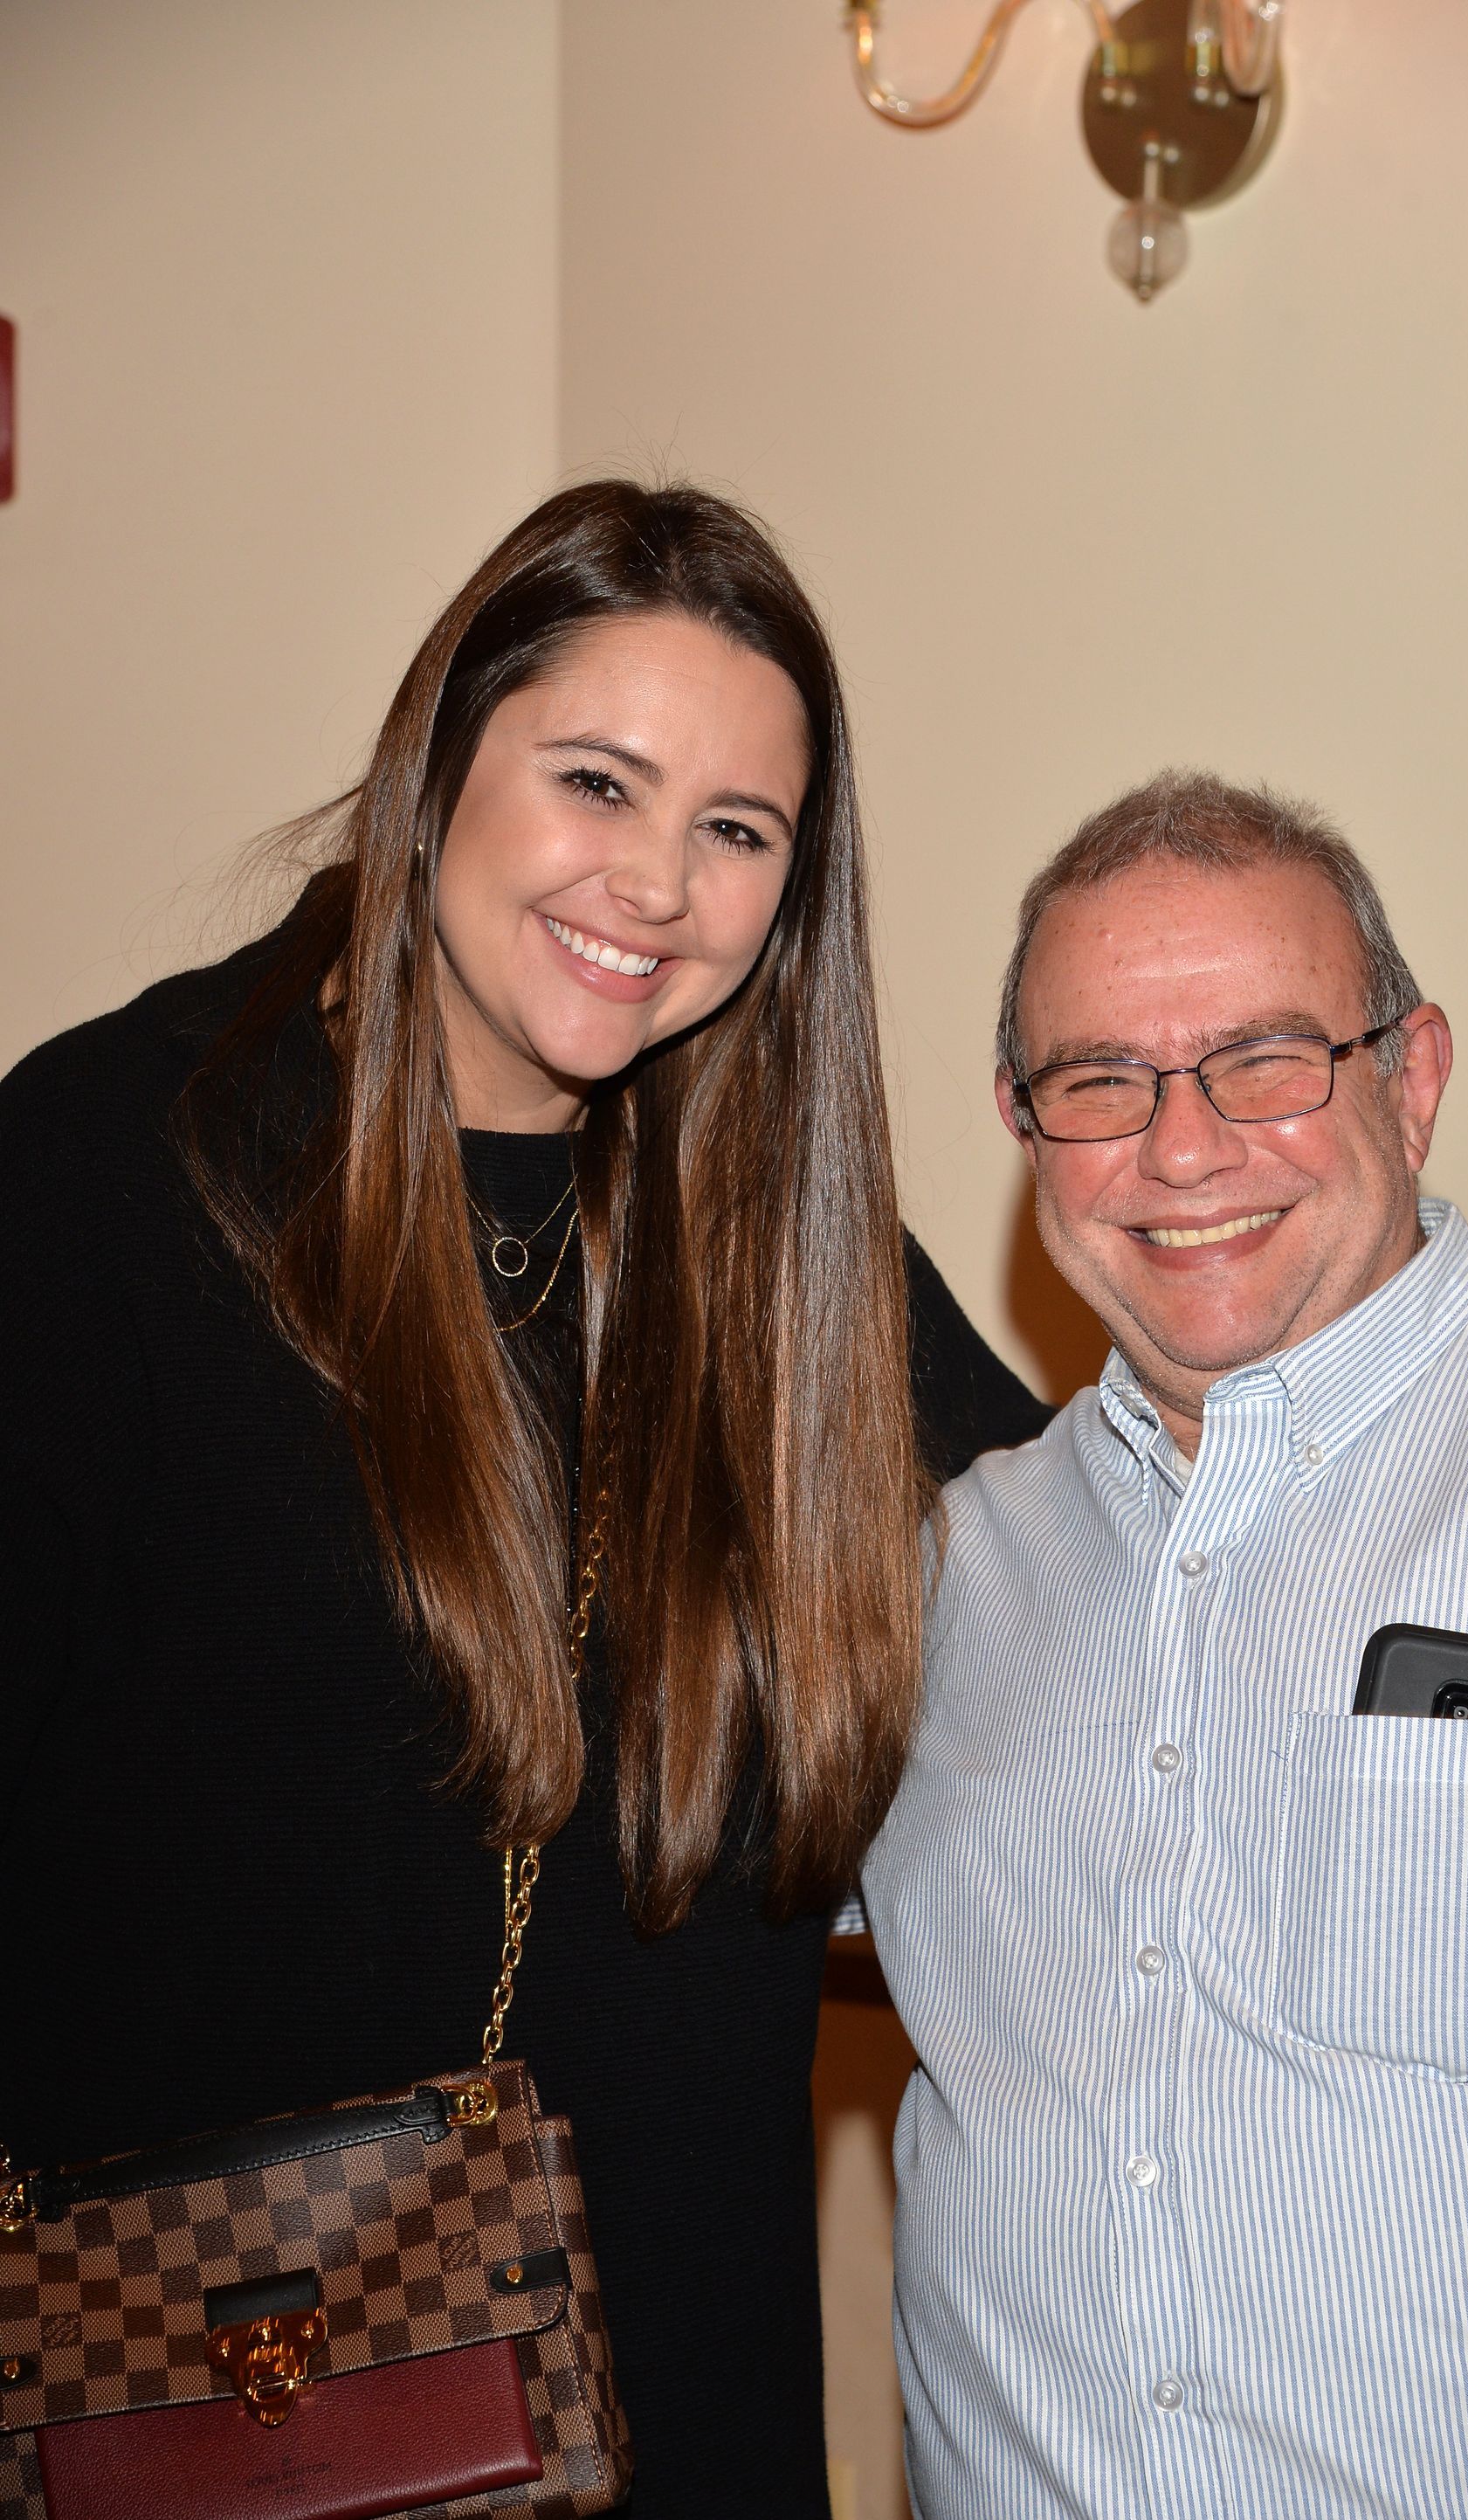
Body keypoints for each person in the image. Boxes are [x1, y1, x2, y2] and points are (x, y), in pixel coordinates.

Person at [0, 480, 1047, 2517]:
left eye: (736, 833)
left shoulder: (778, 1243)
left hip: (686, 2402)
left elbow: (1081, 1550)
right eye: (597, 781)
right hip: (225, 2409)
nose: (655, 886)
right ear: (438, 762)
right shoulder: (118, 1174)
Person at [863, 769, 1468, 2519]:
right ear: (1025, 1128)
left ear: (1416, 1075)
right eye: (1102, 1083)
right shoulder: (936, 1575)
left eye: (1268, 1059)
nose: (1183, 1146)